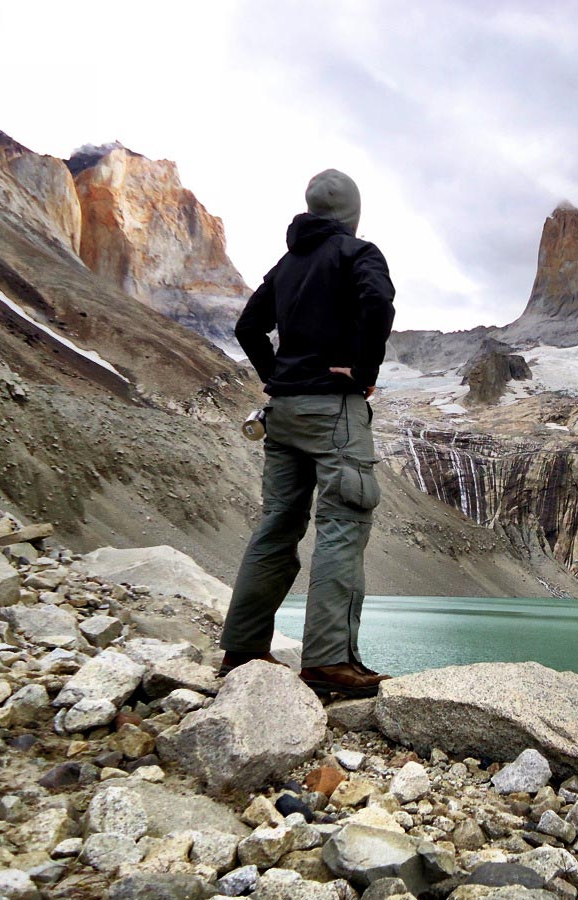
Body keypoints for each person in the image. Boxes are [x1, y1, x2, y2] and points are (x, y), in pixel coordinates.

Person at [218, 169, 396, 698]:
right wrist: (363, 372)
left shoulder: (287, 264)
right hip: (333, 410)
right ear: (351, 213)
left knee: (278, 522)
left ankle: (243, 648)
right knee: (343, 521)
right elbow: (379, 304)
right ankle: (328, 660)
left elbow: (248, 326)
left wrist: (276, 377)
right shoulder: (358, 253)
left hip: (284, 410)